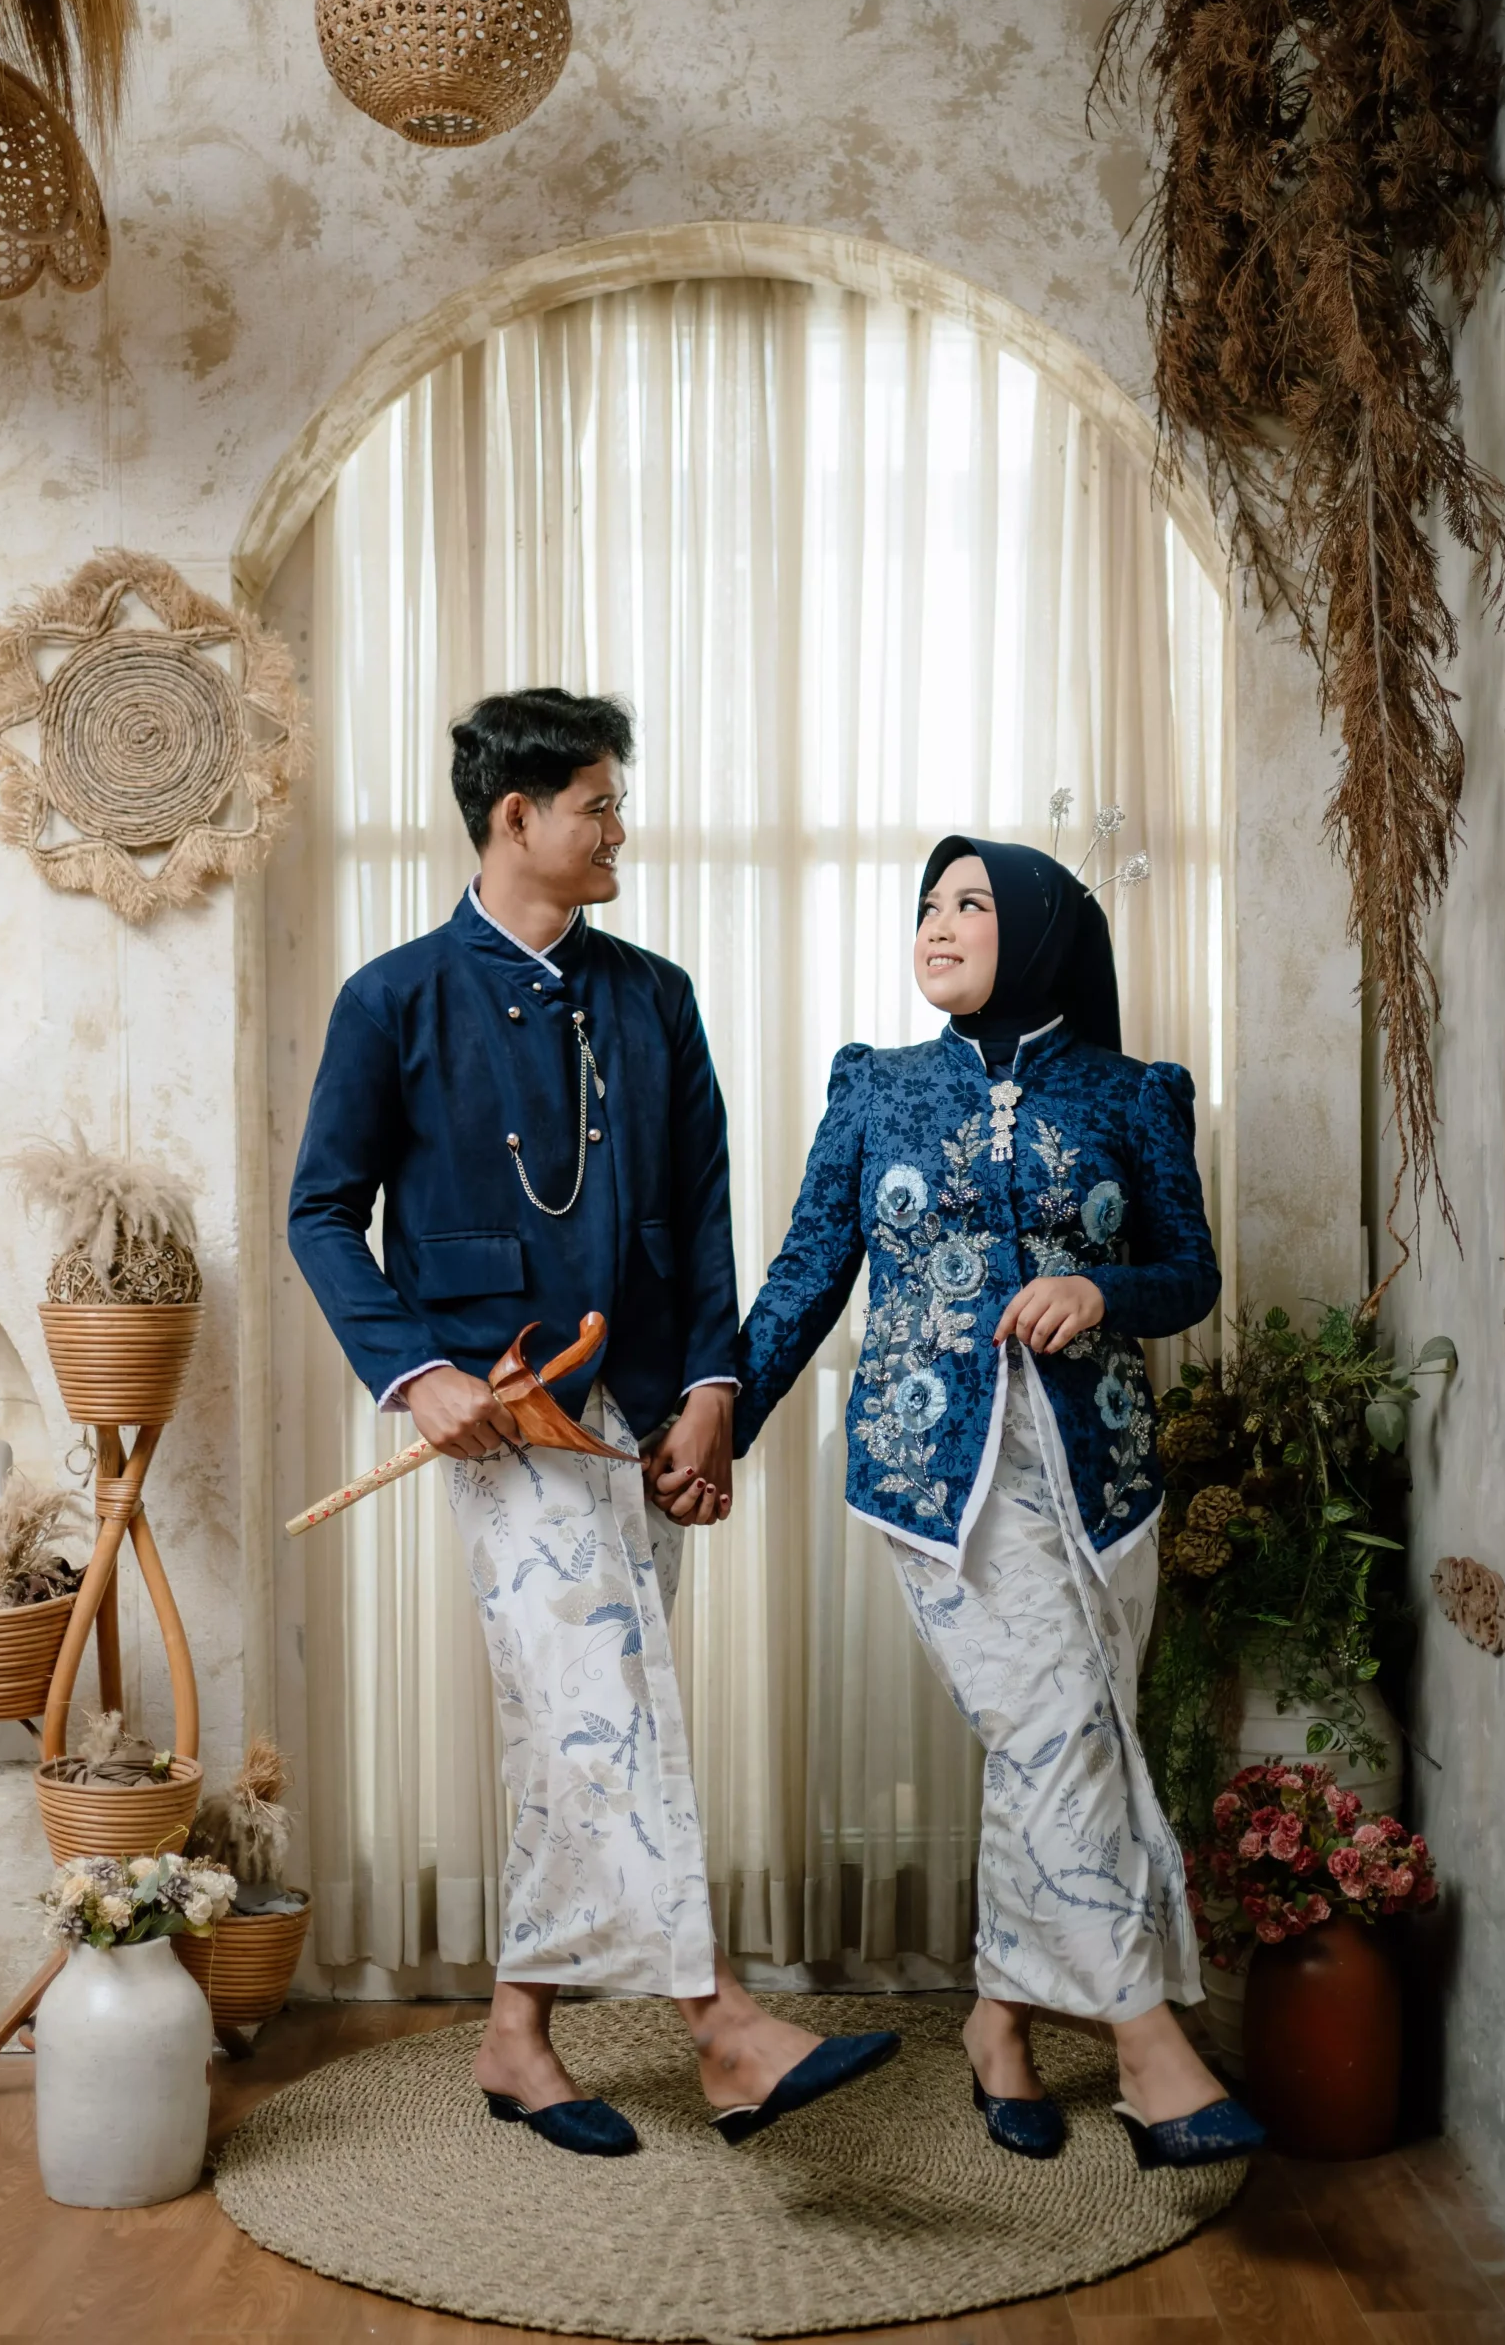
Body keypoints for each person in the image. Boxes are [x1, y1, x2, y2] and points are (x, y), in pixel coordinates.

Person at [287, 686, 896, 2155]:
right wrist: (414, 1373)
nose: (622, 828)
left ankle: (516, 2036)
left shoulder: (656, 995)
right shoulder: (392, 1000)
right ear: (517, 816)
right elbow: (320, 1214)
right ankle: (721, 2024)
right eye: (599, 805)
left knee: (579, 1721)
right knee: (601, 1702)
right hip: (506, 1415)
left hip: (645, 1412)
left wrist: (714, 1391)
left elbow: (704, 1213)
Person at [733, 833, 1264, 2168]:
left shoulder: (1135, 1094)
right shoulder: (877, 1088)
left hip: (1103, 1480)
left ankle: (1000, 2024)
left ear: (1036, 929)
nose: (937, 923)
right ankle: (1148, 2046)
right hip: (935, 1480)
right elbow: (806, 1275)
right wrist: (719, 1421)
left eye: (970, 903)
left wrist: (1101, 1289)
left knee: (1057, 1740)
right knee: (1060, 1723)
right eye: (927, 904)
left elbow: (1190, 1274)